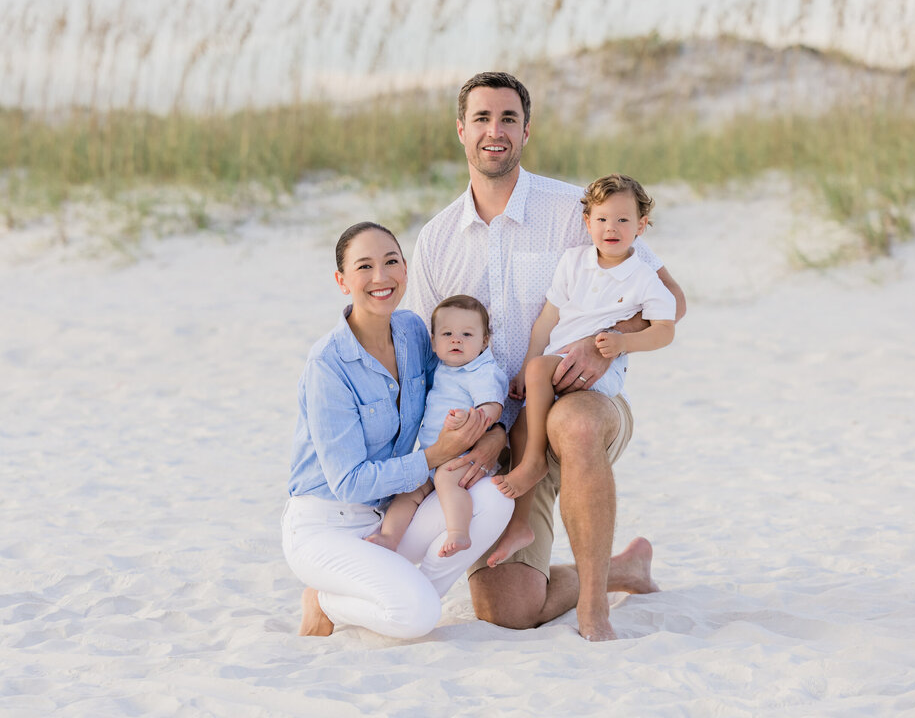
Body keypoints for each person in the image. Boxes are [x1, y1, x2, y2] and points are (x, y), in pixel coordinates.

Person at [404, 72, 687, 641]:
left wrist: (603, 344)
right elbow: (420, 363)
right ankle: (619, 570)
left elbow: (668, 300)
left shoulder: (577, 210)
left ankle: (593, 609)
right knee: (508, 609)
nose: (495, 130)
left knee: (574, 420)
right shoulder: (436, 240)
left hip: (577, 406)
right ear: (461, 130)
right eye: (481, 118)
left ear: (526, 130)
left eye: (508, 118)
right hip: (491, 437)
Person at [282, 221, 514, 639]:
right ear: (342, 281)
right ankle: (325, 598)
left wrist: (495, 429)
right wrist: (434, 455)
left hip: (391, 515)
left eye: (391, 262)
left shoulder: (412, 332)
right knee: (417, 617)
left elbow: (457, 382)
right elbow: (350, 483)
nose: (381, 277)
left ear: (405, 269)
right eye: (364, 266)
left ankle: (399, 589)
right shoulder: (328, 367)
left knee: (495, 500)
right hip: (327, 524)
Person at [495, 174, 677, 544]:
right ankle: (519, 525)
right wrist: (525, 371)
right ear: (587, 222)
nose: (612, 228)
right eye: (602, 219)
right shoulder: (573, 261)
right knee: (522, 428)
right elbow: (548, 318)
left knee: (539, 373)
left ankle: (533, 463)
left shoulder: (642, 277)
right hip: (553, 363)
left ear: (641, 225)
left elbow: (665, 329)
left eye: (623, 220)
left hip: (600, 372)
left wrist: (624, 343)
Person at [366, 295, 509, 559]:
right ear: (433, 342)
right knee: (407, 491)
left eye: (467, 334)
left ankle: (459, 531)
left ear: (484, 342)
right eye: (447, 334)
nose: (456, 340)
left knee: (446, 479)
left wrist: (472, 418)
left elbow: (493, 406)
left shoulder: (481, 371)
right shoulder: (442, 368)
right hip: (433, 454)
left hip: (464, 455)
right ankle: (389, 537)